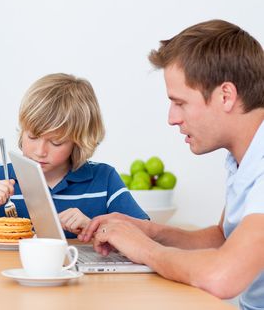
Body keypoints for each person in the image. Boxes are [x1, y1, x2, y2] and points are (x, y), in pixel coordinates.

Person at [78, 19, 264, 308]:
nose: (172, 118)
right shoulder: (244, 157)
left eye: (180, 102)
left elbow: (222, 276)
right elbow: (224, 239)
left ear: (226, 96)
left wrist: (145, 250)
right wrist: (148, 231)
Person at [0, 73, 148, 240]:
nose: (40, 151)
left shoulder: (104, 179)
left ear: (79, 141)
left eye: (56, 142)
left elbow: (147, 238)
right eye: (32, 136)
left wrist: (91, 228)